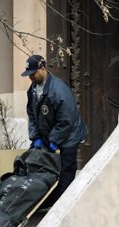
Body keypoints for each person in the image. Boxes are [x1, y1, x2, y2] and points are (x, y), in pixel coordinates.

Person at [21, 54, 87, 205]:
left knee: (66, 173)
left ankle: (63, 207)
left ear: (42, 68)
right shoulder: (32, 90)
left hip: (69, 135)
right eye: (28, 75)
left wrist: (53, 140)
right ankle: (45, 204)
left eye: (33, 73)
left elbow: (66, 120)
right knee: (39, 168)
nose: (30, 77)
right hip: (49, 135)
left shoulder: (58, 90)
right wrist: (36, 137)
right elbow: (32, 114)